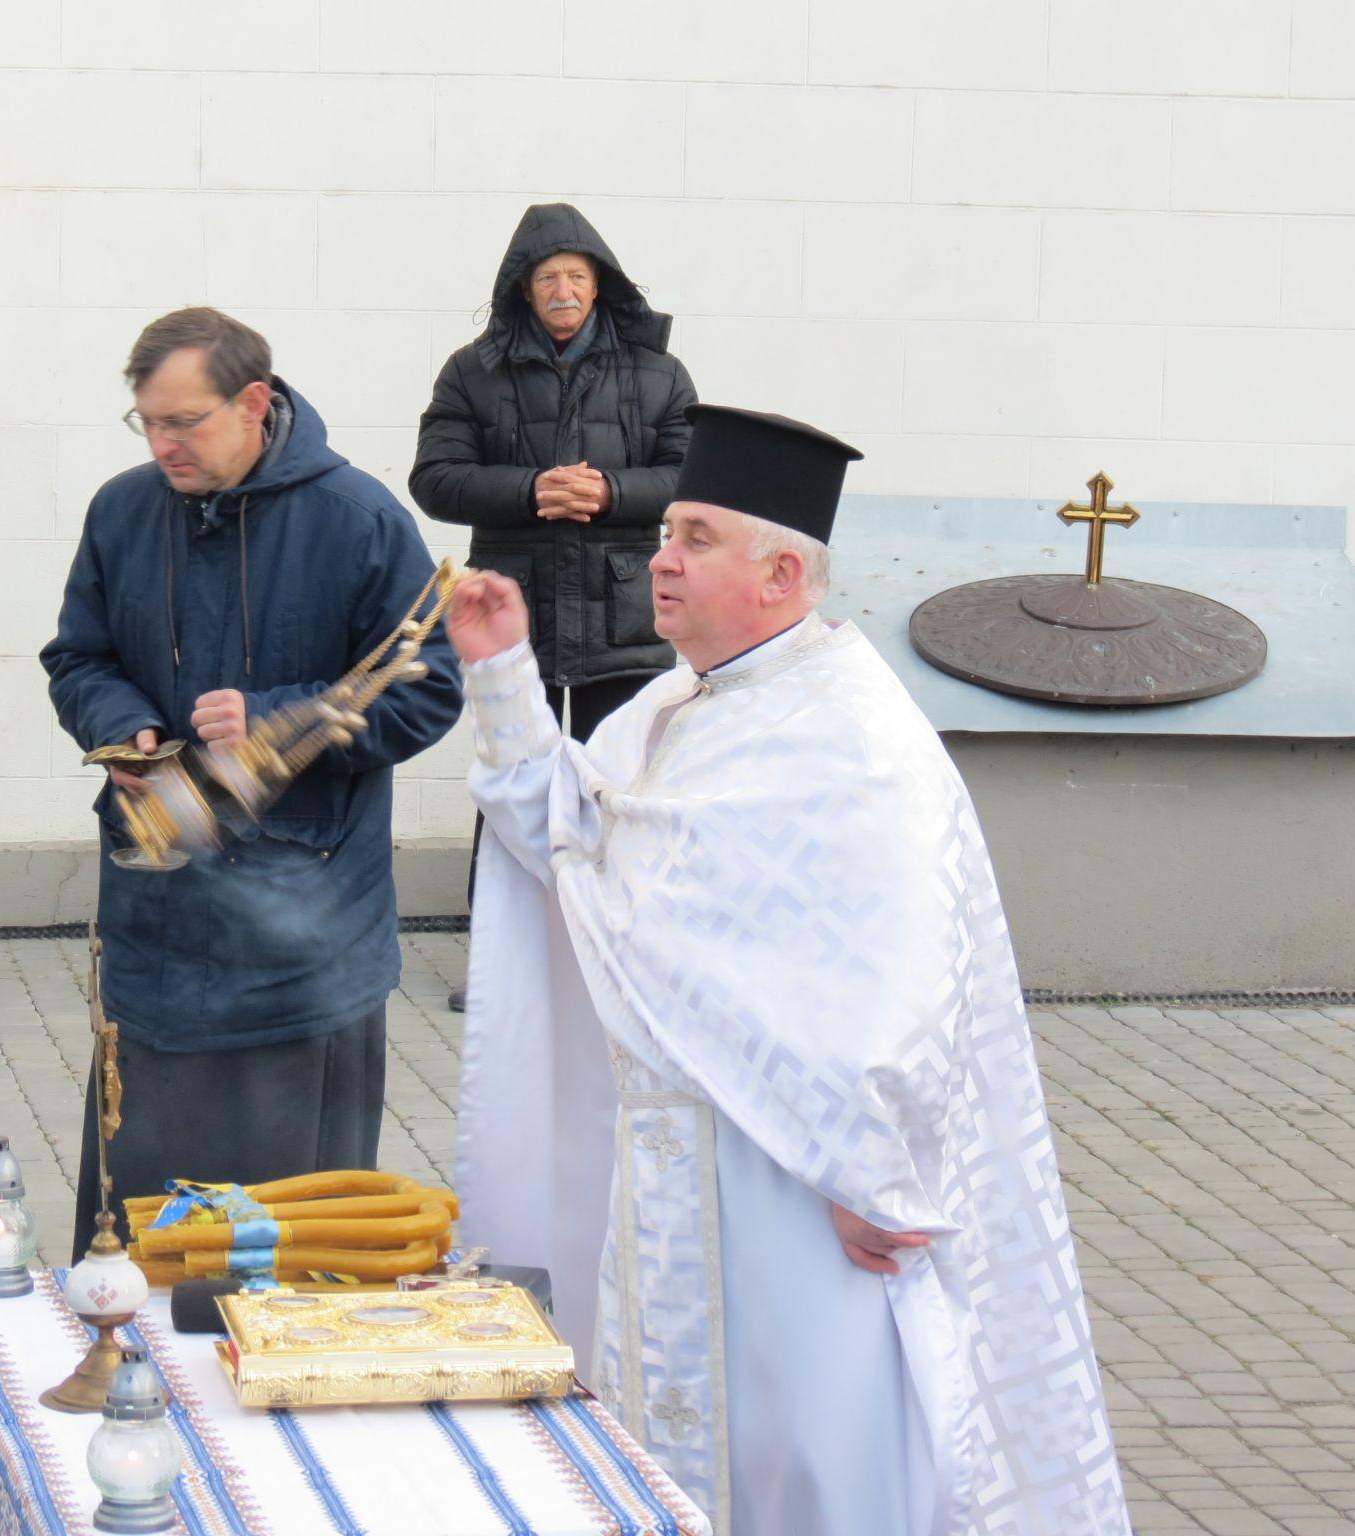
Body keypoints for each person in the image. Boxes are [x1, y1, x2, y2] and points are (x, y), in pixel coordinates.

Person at [446, 405, 1129, 1535]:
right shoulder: (670, 708)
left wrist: (876, 1174)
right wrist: (502, 676)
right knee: (670, 1457)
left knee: (811, 1465)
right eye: (665, 533)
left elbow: (909, 975)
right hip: (668, 1180)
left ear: (780, 573)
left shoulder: (858, 738)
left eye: (694, 538)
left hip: (799, 1192)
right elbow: (567, 840)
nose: (658, 559)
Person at [42, 307, 462, 1262]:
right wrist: (123, 726)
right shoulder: (121, 510)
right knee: (143, 1233)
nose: (161, 444)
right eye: (146, 422)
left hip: (302, 945)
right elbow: (79, 656)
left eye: (182, 422)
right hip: (159, 921)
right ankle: (131, 1368)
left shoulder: (356, 520)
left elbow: (430, 688)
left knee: (282, 1244)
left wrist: (284, 719)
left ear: (255, 404)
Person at [411, 203, 697, 1008]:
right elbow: (434, 477)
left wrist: (608, 491)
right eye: (548, 278)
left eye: (577, 275)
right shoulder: (474, 370)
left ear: (599, 284)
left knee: (624, 786)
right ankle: (503, 964)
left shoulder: (657, 374)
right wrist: (532, 490)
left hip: (624, 612)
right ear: (523, 291)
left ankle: (625, 954)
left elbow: (690, 476)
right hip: (518, 613)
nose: (564, 290)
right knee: (515, 784)